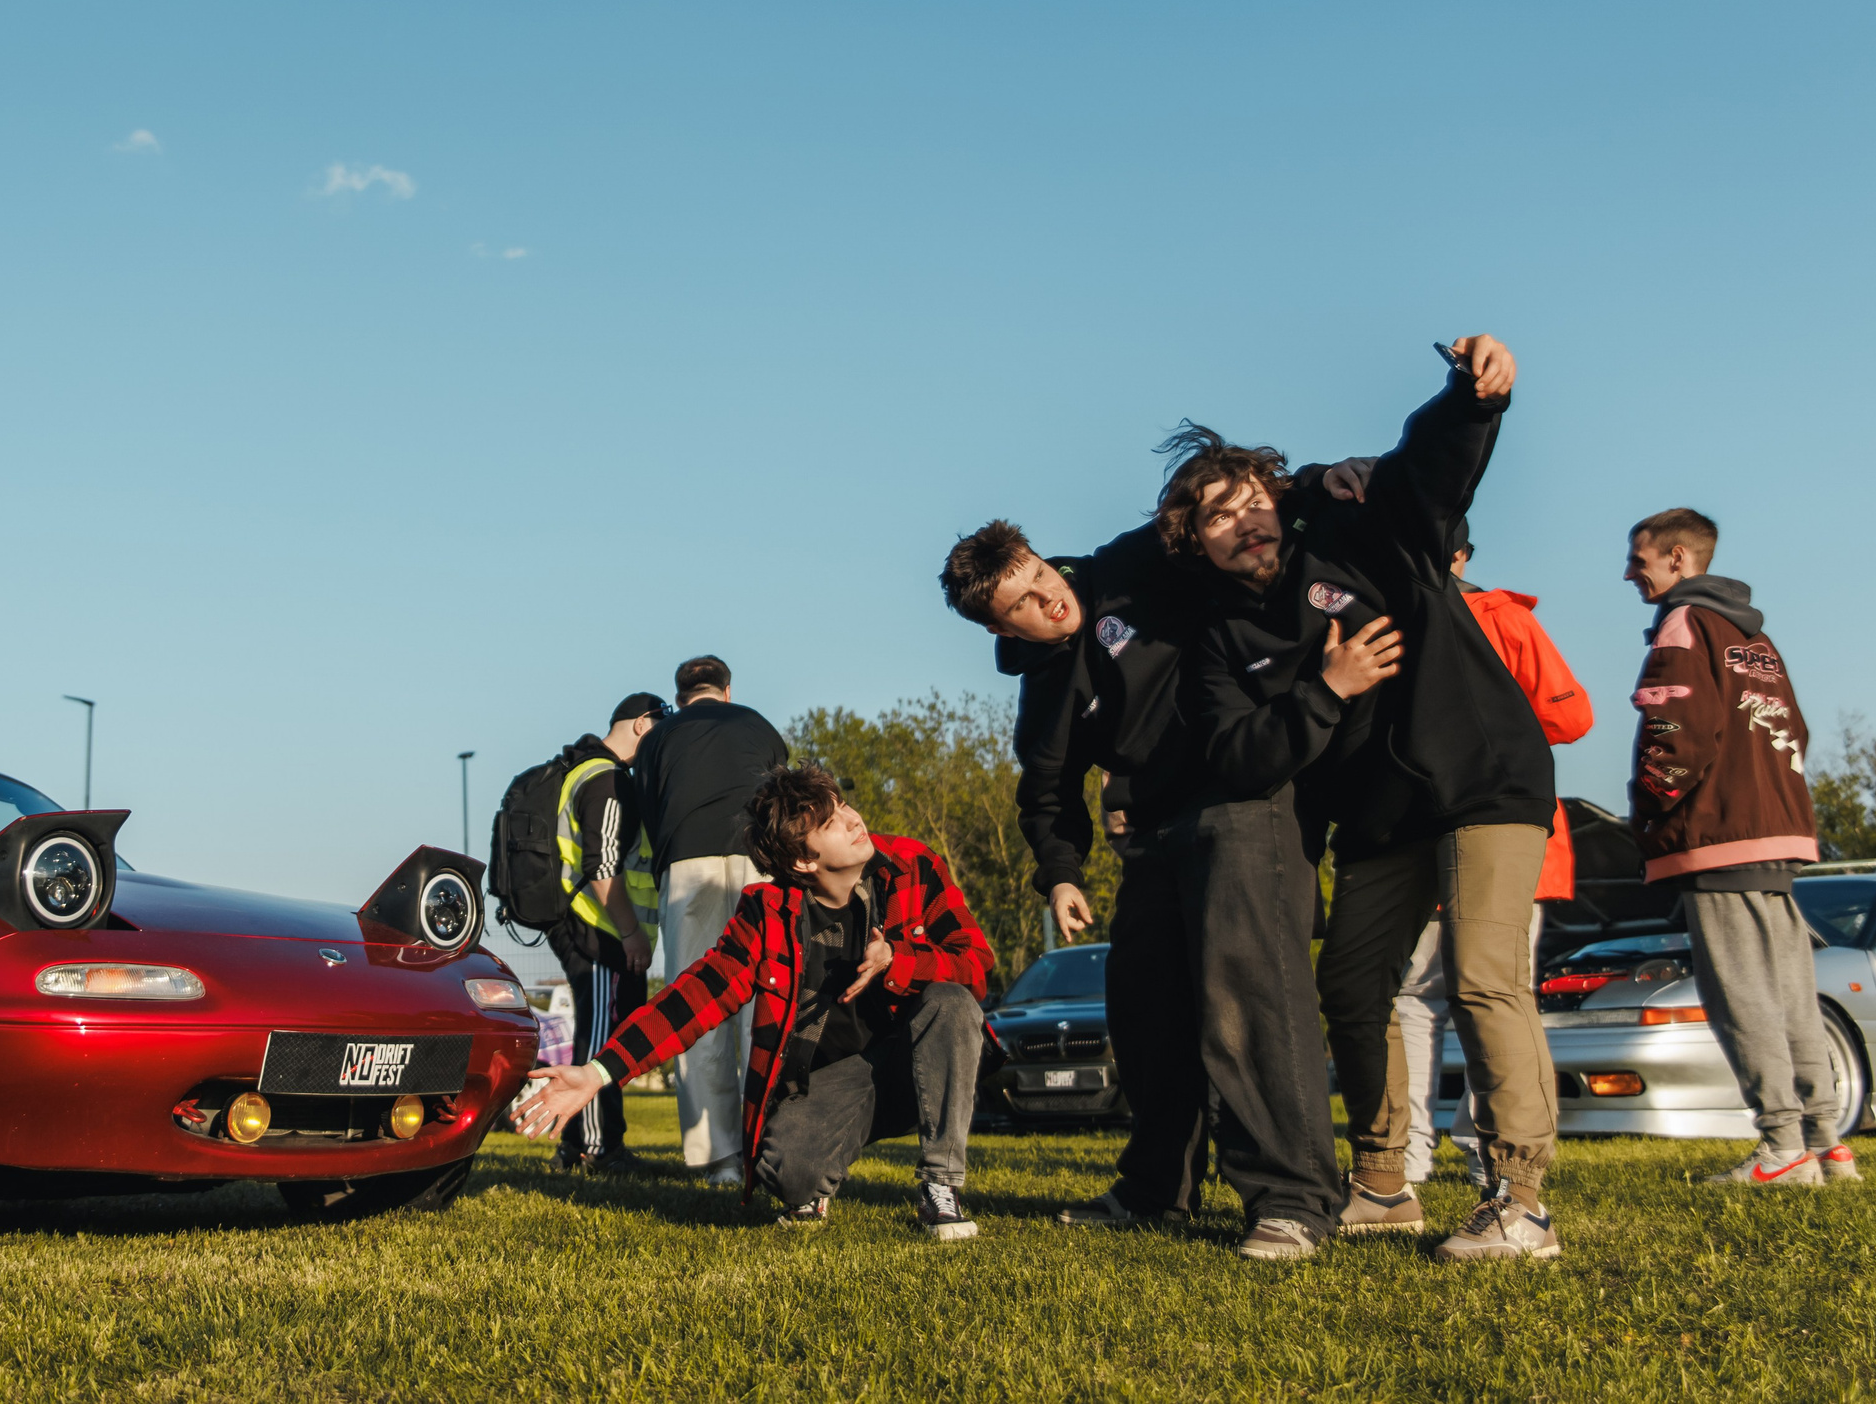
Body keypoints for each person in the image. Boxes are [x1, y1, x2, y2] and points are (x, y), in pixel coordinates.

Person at [1178, 334, 1564, 1264]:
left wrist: (1471, 399)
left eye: (1249, 501)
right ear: (1195, 543)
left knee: (1482, 977)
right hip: (1383, 811)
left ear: (1278, 498)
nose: (1242, 522)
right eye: (1216, 518)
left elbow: (1426, 471)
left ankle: (1520, 1200)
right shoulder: (1223, 637)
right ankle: (1385, 1181)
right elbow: (1235, 751)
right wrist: (1328, 688)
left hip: (1481, 774)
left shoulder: (1360, 527)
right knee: (1350, 988)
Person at [514, 763, 995, 1239]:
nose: (853, 820)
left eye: (844, 805)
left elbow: (976, 964)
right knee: (788, 1176)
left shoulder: (912, 864)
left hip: (914, 1063)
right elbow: (691, 999)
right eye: (831, 822)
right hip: (834, 1083)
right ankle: (816, 1172)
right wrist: (598, 1073)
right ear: (805, 861)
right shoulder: (768, 916)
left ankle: (941, 1187)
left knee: (951, 1000)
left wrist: (898, 959)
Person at [938, 518, 1215, 1229]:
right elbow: (1050, 789)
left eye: (1040, 574)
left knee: (1239, 1009)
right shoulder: (1047, 685)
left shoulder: (1125, 568)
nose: (1047, 598)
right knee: (1141, 1004)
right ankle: (1156, 1193)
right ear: (1002, 629)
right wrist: (1062, 874)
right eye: (1021, 603)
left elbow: (1211, 511)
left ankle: (1285, 1193)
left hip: (1237, 802)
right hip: (1153, 835)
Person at [1624, 509, 1852, 1184]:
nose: (1629, 572)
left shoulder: (1684, 623)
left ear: (1676, 558)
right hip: (1776, 832)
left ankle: (1782, 1146)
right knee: (1790, 993)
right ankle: (1827, 1140)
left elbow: (1674, 723)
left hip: (1717, 837)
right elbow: (1796, 730)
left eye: (1638, 559)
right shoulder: (1756, 636)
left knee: (1740, 994)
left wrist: (1649, 806)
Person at [1390, 525, 1594, 1188]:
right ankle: (1443, 1150)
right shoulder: (1459, 615)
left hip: (1477, 825)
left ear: (1457, 555)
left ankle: (1456, 1150)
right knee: (1449, 993)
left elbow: (1573, 717)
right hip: (1454, 828)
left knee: (1456, 994)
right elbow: (1570, 719)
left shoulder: (1489, 615)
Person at [630, 654, 788, 1188]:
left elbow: (649, 811)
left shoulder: (657, 739)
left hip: (685, 865)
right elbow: (781, 799)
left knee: (695, 1002)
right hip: (758, 863)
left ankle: (717, 1157)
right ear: (726, 691)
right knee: (764, 999)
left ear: (679, 699)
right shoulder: (756, 723)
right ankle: (768, 1146)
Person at [543, 692, 668, 1173]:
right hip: (599, 930)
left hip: (599, 927)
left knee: (604, 1032)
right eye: (660, 729)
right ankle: (596, 1149)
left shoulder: (591, 772)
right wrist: (632, 932)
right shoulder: (607, 777)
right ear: (641, 725)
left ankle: (581, 1145)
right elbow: (603, 865)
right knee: (599, 1039)